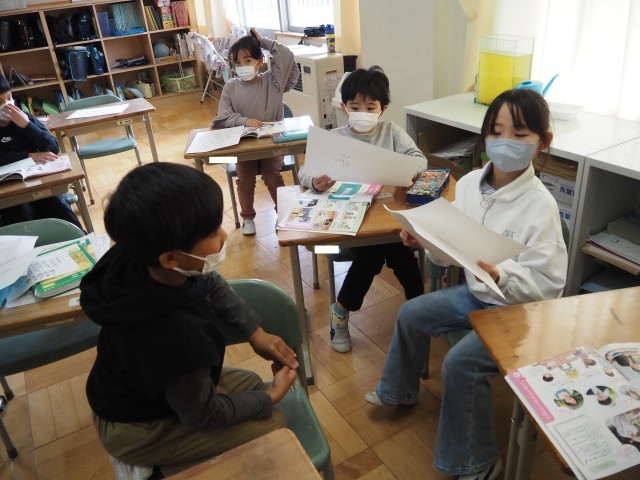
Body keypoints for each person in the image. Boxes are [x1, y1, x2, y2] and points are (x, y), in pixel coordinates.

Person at [365, 89, 568, 479]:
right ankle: (399, 390)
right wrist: (424, 240)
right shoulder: (472, 183)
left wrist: (503, 274)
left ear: (543, 142)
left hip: (518, 313)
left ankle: (481, 461)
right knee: (412, 313)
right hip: (477, 294)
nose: (505, 142)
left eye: (520, 134)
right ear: (485, 134)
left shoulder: (540, 207)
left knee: (460, 364)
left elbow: (549, 286)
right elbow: (451, 246)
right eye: (496, 131)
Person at [79, 163, 299, 477]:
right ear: (170, 258)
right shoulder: (174, 335)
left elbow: (207, 280)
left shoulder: (138, 256)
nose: (224, 234)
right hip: (135, 428)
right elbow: (204, 414)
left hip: (141, 391)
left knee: (250, 383)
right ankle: (159, 470)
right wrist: (272, 396)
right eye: (211, 232)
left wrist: (255, 331)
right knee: (273, 423)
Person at [297, 66, 427, 353]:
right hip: (349, 222)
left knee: (400, 254)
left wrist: (404, 171)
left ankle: (418, 313)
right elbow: (304, 172)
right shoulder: (335, 137)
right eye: (355, 107)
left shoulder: (391, 132)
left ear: (383, 108)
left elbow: (419, 159)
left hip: (384, 217)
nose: (362, 113)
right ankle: (341, 312)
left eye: (370, 107)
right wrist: (314, 182)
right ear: (344, 107)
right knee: (374, 255)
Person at [211, 28, 300, 236]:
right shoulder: (230, 87)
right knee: (245, 179)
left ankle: (284, 214)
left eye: (248, 60)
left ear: (260, 61)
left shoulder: (272, 81)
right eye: (237, 62)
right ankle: (248, 218)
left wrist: (264, 41)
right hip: (244, 146)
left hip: (271, 143)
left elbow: (286, 56)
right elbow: (222, 117)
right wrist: (244, 121)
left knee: (272, 176)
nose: (242, 66)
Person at [0, 74, 84, 230]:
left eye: (9, 98)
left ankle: (81, 239)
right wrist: (28, 156)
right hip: (8, 190)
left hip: (39, 181)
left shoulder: (25, 118)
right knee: (21, 217)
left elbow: (53, 147)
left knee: (59, 207)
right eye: (0, 102)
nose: (7, 105)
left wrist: (27, 125)